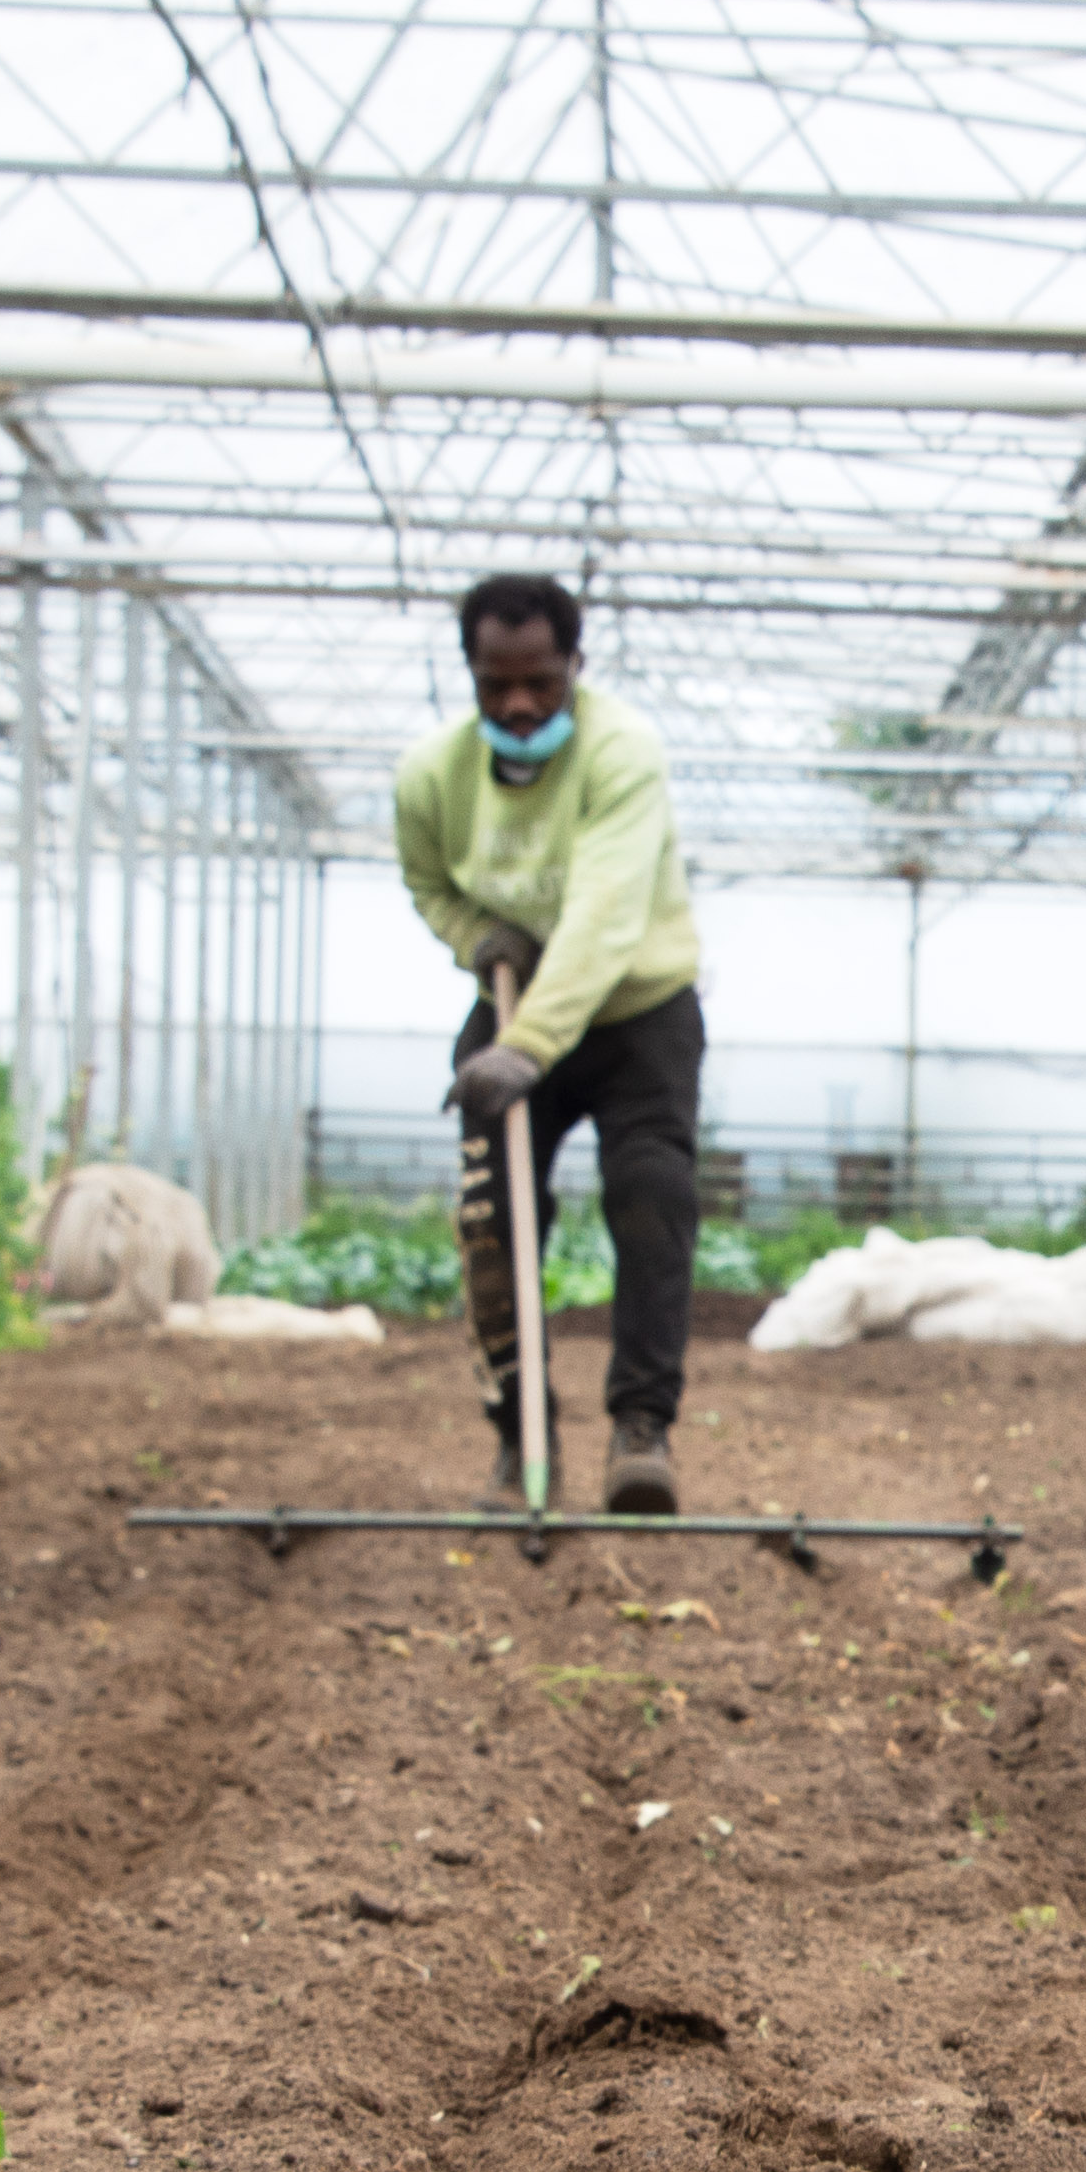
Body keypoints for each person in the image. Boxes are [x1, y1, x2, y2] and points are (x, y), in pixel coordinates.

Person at [395, 569, 707, 1514]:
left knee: (652, 1197)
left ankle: (640, 1429)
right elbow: (431, 886)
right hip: (512, 1009)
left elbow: (606, 918)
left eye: (541, 680)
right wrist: (476, 941)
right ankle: (518, 1435)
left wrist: (528, 1046)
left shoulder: (622, 754)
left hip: (637, 1011)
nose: (521, 705)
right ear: (472, 676)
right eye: (498, 685)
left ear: (575, 664)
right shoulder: (430, 779)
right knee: (492, 1221)